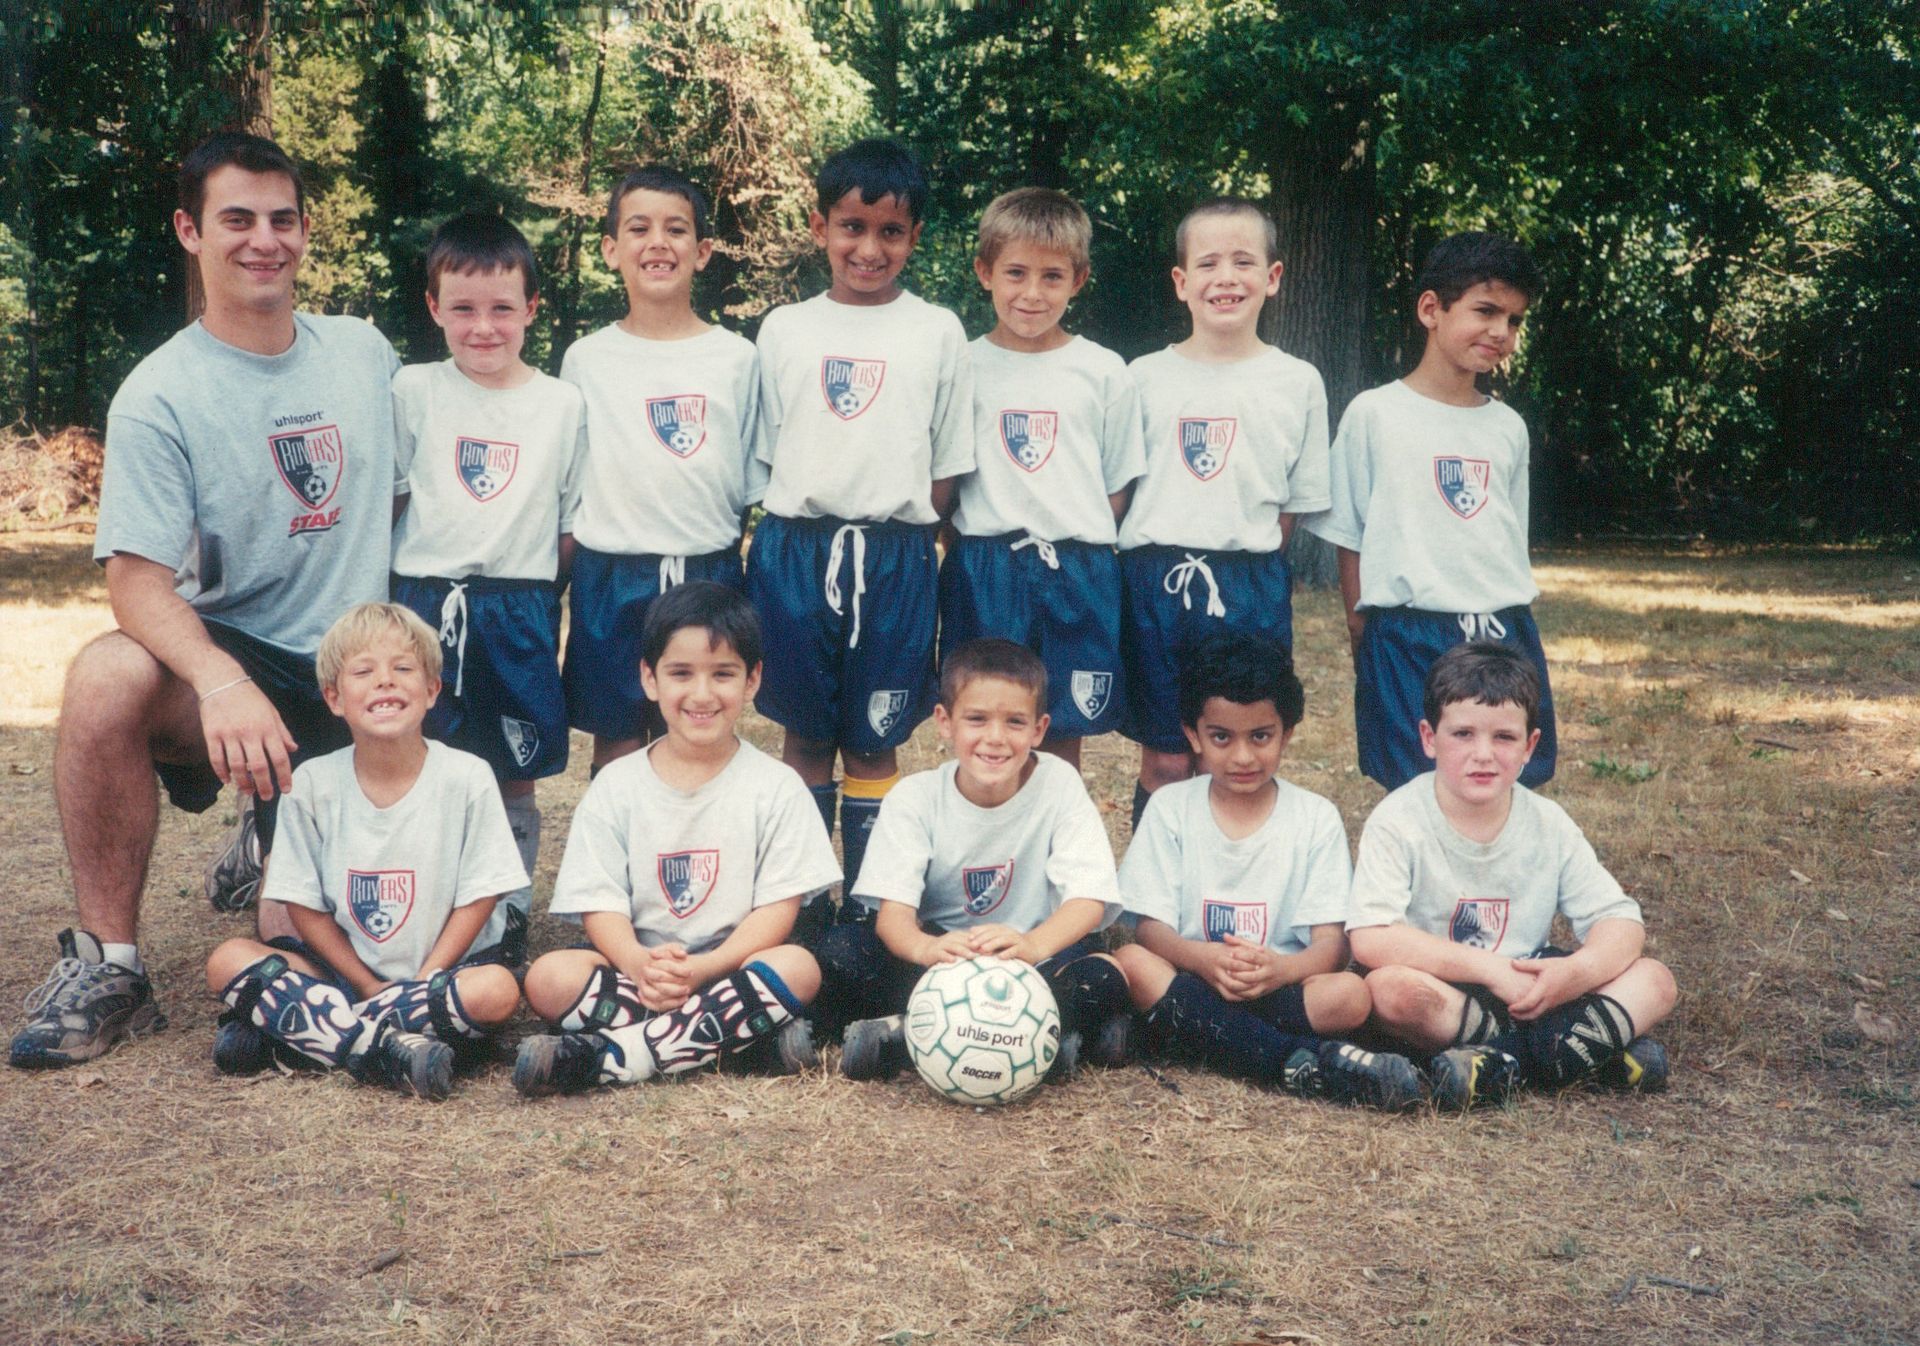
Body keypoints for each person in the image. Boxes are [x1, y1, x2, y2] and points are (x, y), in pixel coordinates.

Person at [11, 132, 400, 1069]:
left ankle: (276, 832)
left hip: (363, 668)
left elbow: (403, 505)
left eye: (282, 219)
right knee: (105, 674)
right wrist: (222, 681)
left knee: (334, 948)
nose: (264, 240)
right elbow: (136, 582)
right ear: (190, 231)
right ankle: (110, 967)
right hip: (240, 660)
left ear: (305, 230)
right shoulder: (160, 394)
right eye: (237, 219)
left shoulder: (365, 353)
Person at [746, 138, 973, 915]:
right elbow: (768, 451)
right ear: (820, 227)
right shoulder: (785, 329)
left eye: (890, 232)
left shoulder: (937, 330)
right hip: (797, 552)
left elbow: (946, 462)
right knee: (807, 733)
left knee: (876, 735)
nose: (869, 249)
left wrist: (899, 527)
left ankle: (874, 908)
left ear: (915, 237)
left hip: (896, 555)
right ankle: (805, 900)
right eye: (851, 227)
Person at [512, 582, 840, 1095]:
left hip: (733, 971)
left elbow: (779, 908)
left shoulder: (777, 786)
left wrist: (706, 968)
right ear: (650, 678)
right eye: (681, 673)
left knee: (796, 967)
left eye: (723, 674)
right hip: (641, 977)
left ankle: (623, 1056)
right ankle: (733, 1041)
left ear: (753, 680)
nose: (702, 694)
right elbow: (599, 902)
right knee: (549, 978)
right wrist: (637, 962)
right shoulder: (617, 785)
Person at [202, 604, 527, 1099]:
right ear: (334, 698)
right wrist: (367, 985)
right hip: (343, 975)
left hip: (444, 973)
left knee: (497, 991)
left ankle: (307, 1036)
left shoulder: (468, 777)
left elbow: (481, 895)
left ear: (432, 690)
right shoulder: (311, 783)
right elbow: (304, 905)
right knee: (227, 960)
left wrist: (426, 978)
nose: (384, 681)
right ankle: (379, 1047)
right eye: (363, 671)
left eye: (403, 668)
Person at [1348, 643, 1677, 1109]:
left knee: (1656, 980)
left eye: (1504, 737)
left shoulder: (1548, 822)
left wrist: (1576, 973)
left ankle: (1501, 1064)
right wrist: (1491, 970)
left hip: (1535, 983)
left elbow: (1619, 920)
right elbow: (1371, 937)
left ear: (1530, 746)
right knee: (1389, 991)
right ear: (1428, 737)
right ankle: (1580, 1054)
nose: (1483, 754)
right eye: (1463, 734)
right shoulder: (1398, 818)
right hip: (1449, 988)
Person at [390, 212, 587, 967]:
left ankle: (505, 919)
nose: (483, 327)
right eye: (463, 308)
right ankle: (430, 910)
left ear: (531, 308)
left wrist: (531, 594)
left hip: (518, 605)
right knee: (420, 760)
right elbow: (392, 501)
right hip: (423, 603)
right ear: (433, 306)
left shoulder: (561, 403)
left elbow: (569, 522)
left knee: (513, 769)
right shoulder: (412, 389)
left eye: (502, 308)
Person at [1112, 633, 1422, 1108]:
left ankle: (1195, 1037)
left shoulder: (1315, 817)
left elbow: (1332, 946)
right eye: (1221, 737)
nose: (1243, 756)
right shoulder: (1170, 808)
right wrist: (1202, 959)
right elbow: (1150, 930)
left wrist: (1282, 969)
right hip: (1194, 979)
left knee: (1350, 995)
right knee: (1132, 963)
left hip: (1279, 987)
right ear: (1193, 735)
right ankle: (1291, 1061)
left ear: (1287, 733)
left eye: (1260, 736)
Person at [1303, 231, 1559, 791]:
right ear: (1430, 310)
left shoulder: (1507, 427)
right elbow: (1350, 535)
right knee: (1415, 783)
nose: (1501, 332)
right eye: (1485, 311)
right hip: (1408, 632)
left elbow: (1508, 540)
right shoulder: (1375, 414)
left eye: (1514, 320)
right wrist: (1362, 633)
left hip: (1501, 628)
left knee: (1501, 783)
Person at [814, 639, 1133, 1081]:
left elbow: (1087, 902)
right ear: (944, 722)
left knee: (1105, 976)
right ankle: (1047, 1042)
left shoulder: (1059, 785)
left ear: (1039, 729)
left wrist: (1033, 945)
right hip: (942, 960)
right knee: (843, 952)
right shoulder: (915, 798)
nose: (995, 738)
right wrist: (927, 948)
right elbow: (893, 919)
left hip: (1031, 957)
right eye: (977, 719)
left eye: (1015, 722)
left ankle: (905, 1037)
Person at [1116, 198, 1330, 830]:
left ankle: (1233, 875)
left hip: (1248, 585)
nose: (1226, 278)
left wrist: (1239, 554)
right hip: (1155, 583)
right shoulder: (1141, 378)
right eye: (1208, 264)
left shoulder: (1297, 381)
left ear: (1273, 277)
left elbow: (1289, 511)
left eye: (1244, 261)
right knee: (1166, 758)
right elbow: (1122, 490)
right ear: (1181, 282)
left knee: (1235, 753)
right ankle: (1154, 883)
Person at [560, 165, 759, 774]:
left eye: (676, 229)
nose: (658, 243)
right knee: (618, 739)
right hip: (613, 573)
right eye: (639, 228)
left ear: (702, 251)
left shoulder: (737, 357)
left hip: (706, 567)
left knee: (701, 730)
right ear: (610, 249)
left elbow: (746, 476)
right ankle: (620, 839)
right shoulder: (586, 358)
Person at [938, 188, 1143, 770]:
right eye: (1016, 273)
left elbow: (1116, 487)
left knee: (1060, 732)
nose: (1032, 293)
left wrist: (1067, 530)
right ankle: (984, 826)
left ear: (1078, 280)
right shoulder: (962, 364)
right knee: (985, 722)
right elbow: (947, 475)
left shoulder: (1103, 371)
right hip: (985, 568)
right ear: (984, 272)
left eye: (1052, 276)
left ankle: (1056, 830)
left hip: (1075, 568)